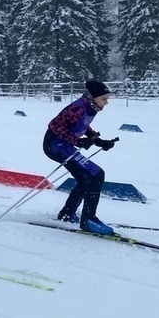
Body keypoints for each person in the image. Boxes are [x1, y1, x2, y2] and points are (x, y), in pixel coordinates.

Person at [44, 80, 117, 235]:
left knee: (86, 178)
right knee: (96, 174)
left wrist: (98, 141)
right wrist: (77, 141)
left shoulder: (90, 108)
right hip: (55, 146)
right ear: (92, 97)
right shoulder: (77, 108)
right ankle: (89, 220)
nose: (107, 102)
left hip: (64, 145)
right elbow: (54, 125)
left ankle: (67, 213)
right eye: (104, 99)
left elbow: (83, 125)